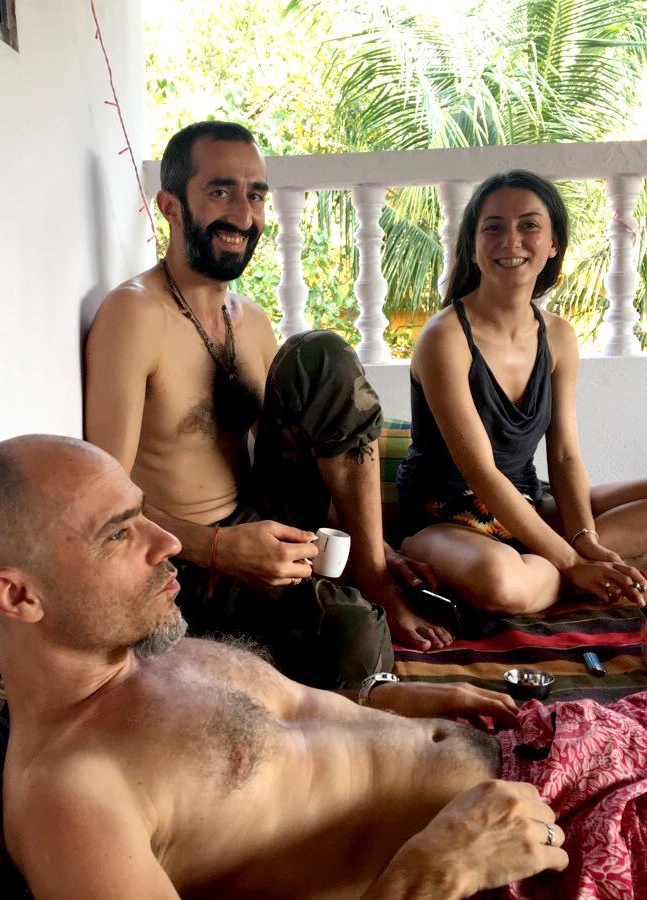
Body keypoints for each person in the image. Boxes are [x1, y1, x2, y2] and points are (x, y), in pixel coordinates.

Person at [0, 434, 647, 899]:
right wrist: (435, 870)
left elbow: (295, 728)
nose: (169, 541)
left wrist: (389, 695)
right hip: (551, 848)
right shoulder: (70, 797)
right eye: (120, 533)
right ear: (18, 596)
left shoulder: (150, 653)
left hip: (555, 742)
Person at [85, 120, 452, 689]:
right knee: (351, 634)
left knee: (320, 354)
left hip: (259, 520)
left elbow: (316, 452)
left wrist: (371, 546)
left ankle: (371, 572)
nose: (243, 214)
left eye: (255, 195)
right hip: (186, 559)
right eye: (220, 191)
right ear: (171, 206)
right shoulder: (133, 315)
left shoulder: (250, 320)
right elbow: (104, 497)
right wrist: (219, 549)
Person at [396, 170, 647, 615]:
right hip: (445, 517)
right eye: (493, 227)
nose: (511, 241)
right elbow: (481, 473)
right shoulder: (445, 338)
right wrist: (571, 561)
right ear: (473, 247)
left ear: (553, 243)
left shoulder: (558, 336)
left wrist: (584, 539)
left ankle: (571, 567)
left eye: (529, 225)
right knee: (503, 585)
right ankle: (601, 569)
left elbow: (566, 456)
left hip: (527, 505)